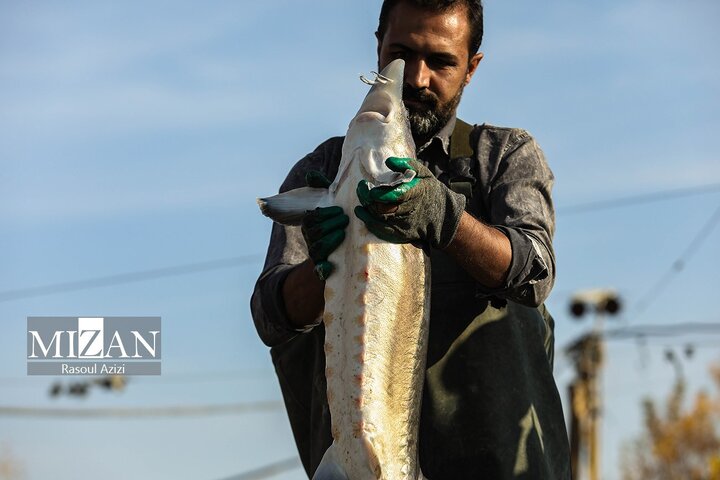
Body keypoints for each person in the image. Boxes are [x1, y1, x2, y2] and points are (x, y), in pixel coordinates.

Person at [251, 0, 572, 478]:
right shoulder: (322, 170)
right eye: (402, 54)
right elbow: (270, 316)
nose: (418, 79)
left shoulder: (502, 156)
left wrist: (445, 218)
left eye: (441, 61)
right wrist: (325, 268)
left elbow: (534, 271)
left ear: (471, 68)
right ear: (378, 48)